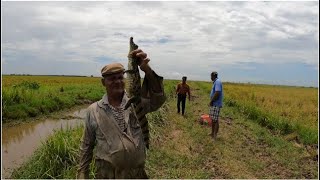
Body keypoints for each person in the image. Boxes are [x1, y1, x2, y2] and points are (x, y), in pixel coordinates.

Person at [77, 49, 166, 179]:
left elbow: (158, 100)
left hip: (137, 175)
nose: (117, 81)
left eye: (120, 77)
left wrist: (147, 70)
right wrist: (82, 174)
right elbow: (86, 146)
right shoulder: (94, 111)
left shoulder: (135, 102)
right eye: (112, 79)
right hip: (107, 176)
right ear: (103, 82)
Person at [209, 71, 223, 140]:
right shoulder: (215, 82)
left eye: (211, 76)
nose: (210, 77)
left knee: (215, 120)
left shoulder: (217, 82)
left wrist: (211, 101)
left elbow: (217, 93)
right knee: (213, 119)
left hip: (216, 104)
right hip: (214, 104)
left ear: (214, 76)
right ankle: (212, 133)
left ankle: (215, 136)